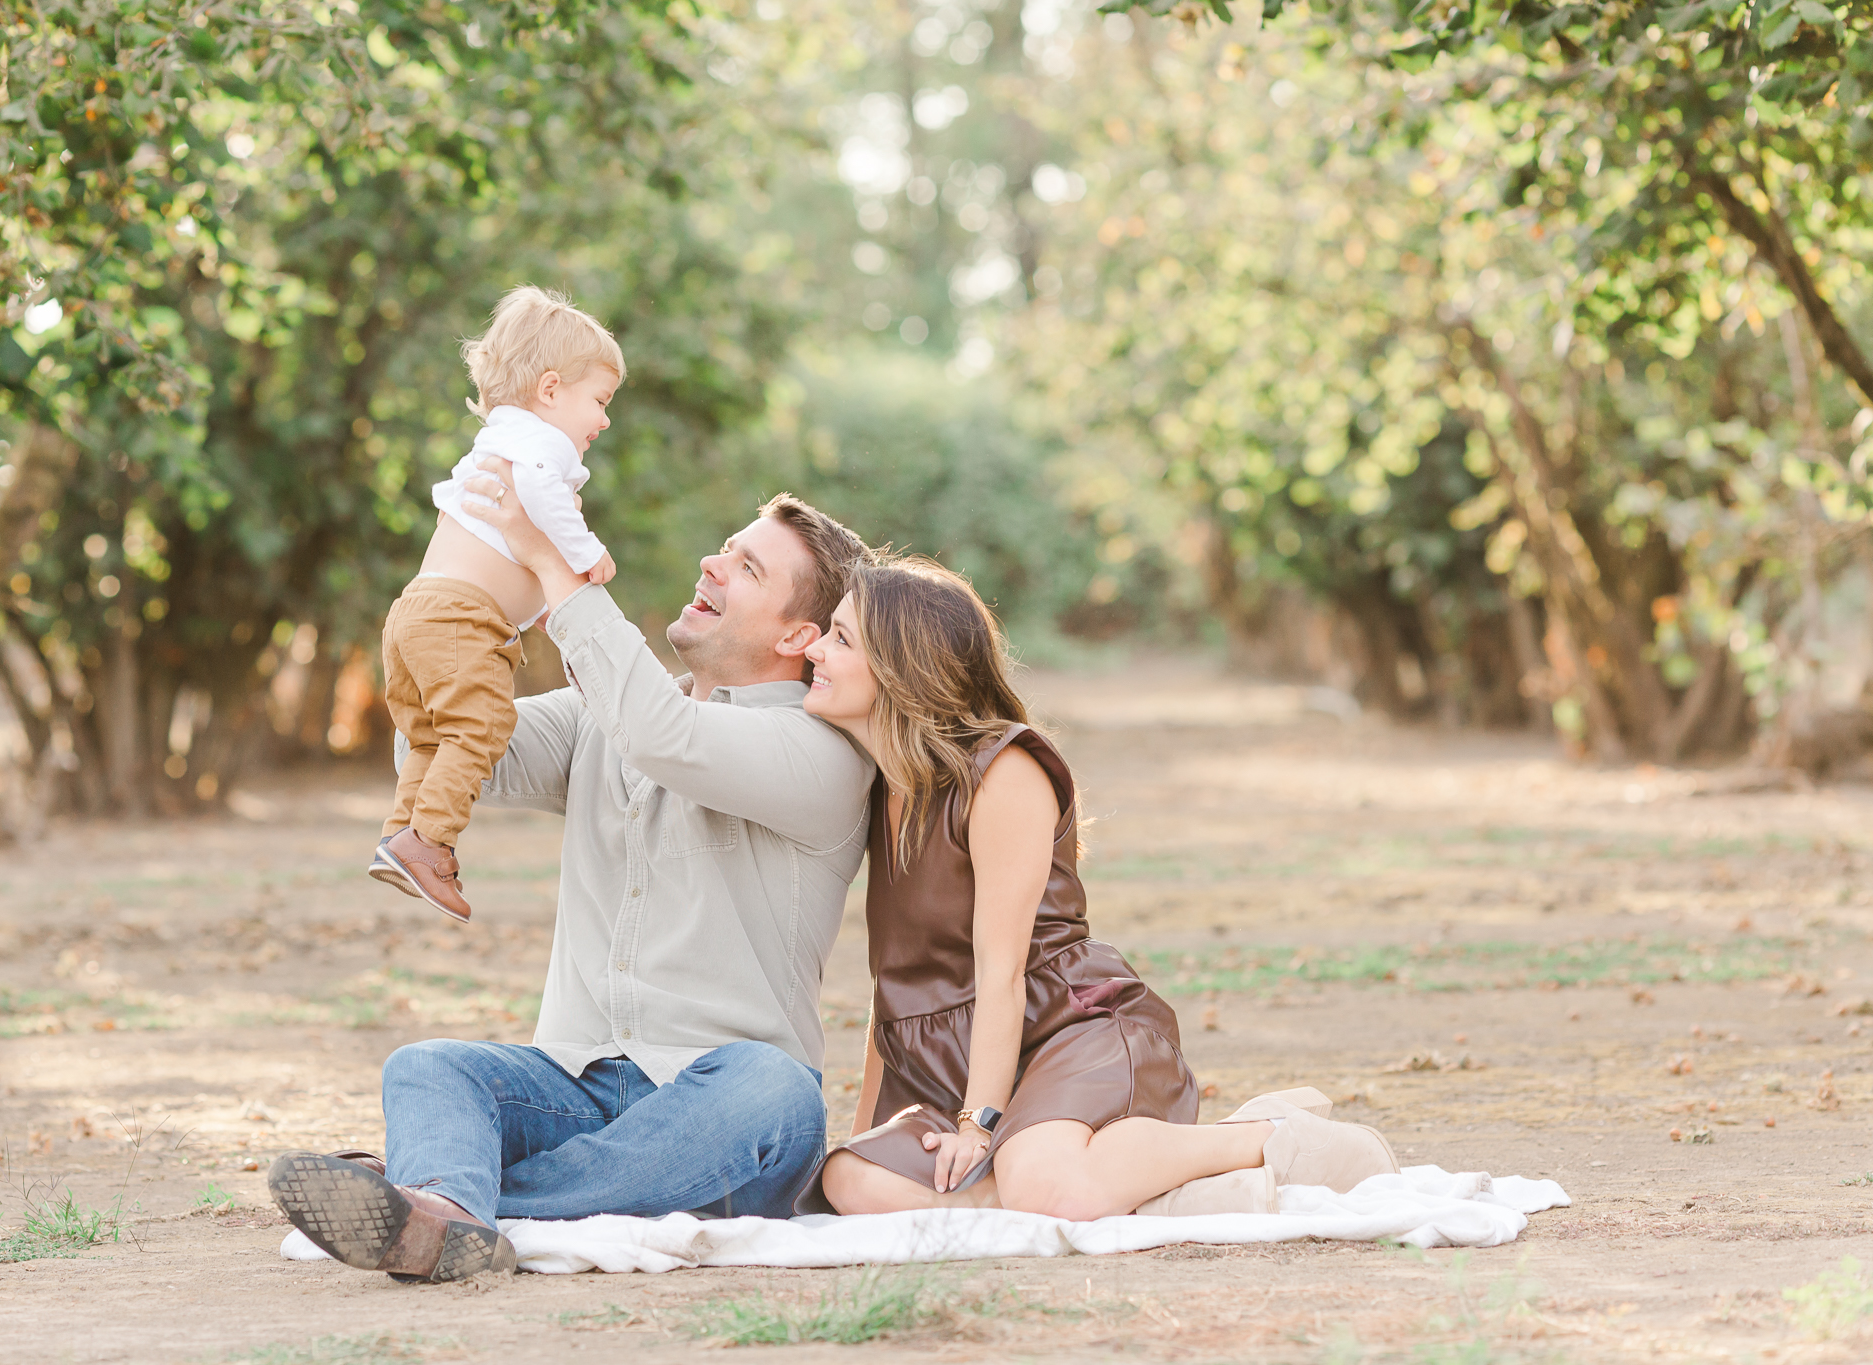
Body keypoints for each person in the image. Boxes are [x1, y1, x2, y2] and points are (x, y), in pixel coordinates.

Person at [270, 488, 875, 1282]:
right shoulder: (609, 717)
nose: (712, 562)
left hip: (723, 1107)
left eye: (747, 565)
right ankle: (448, 1213)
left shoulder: (819, 752)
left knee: (774, 1090)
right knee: (428, 1067)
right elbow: (445, 746)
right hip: (577, 1086)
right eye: (725, 545)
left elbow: (668, 737)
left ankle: (449, 1198)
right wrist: (461, 600)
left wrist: (558, 564)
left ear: (798, 634)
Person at [795, 557, 1400, 1220]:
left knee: (1045, 1185)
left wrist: (977, 1121)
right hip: (948, 1063)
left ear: (901, 665)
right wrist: (863, 1132)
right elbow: (895, 993)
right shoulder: (880, 785)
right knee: (849, 1178)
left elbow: (1002, 973)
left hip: (1066, 1028)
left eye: (841, 637)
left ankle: (1267, 1136)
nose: (816, 648)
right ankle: (1125, 1183)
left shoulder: (1003, 771)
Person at [368, 285, 623, 923]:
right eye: (600, 401)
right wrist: (587, 551)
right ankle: (427, 844)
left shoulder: (503, 436)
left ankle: (404, 835)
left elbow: (511, 553)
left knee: (432, 736)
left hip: (418, 613)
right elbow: (541, 495)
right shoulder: (542, 446)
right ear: (550, 389)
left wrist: (543, 607)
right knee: (482, 728)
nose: (604, 420)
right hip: (461, 619)